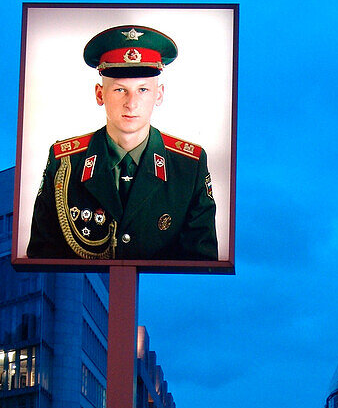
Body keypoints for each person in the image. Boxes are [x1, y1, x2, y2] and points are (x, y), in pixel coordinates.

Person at [27, 25, 218, 263]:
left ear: (159, 95)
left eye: (143, 90)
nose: (131, 103)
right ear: (100, 94)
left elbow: (202, 264)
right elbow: (41, 257)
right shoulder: (65, 161)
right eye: (120, 90)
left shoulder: (188, 166)